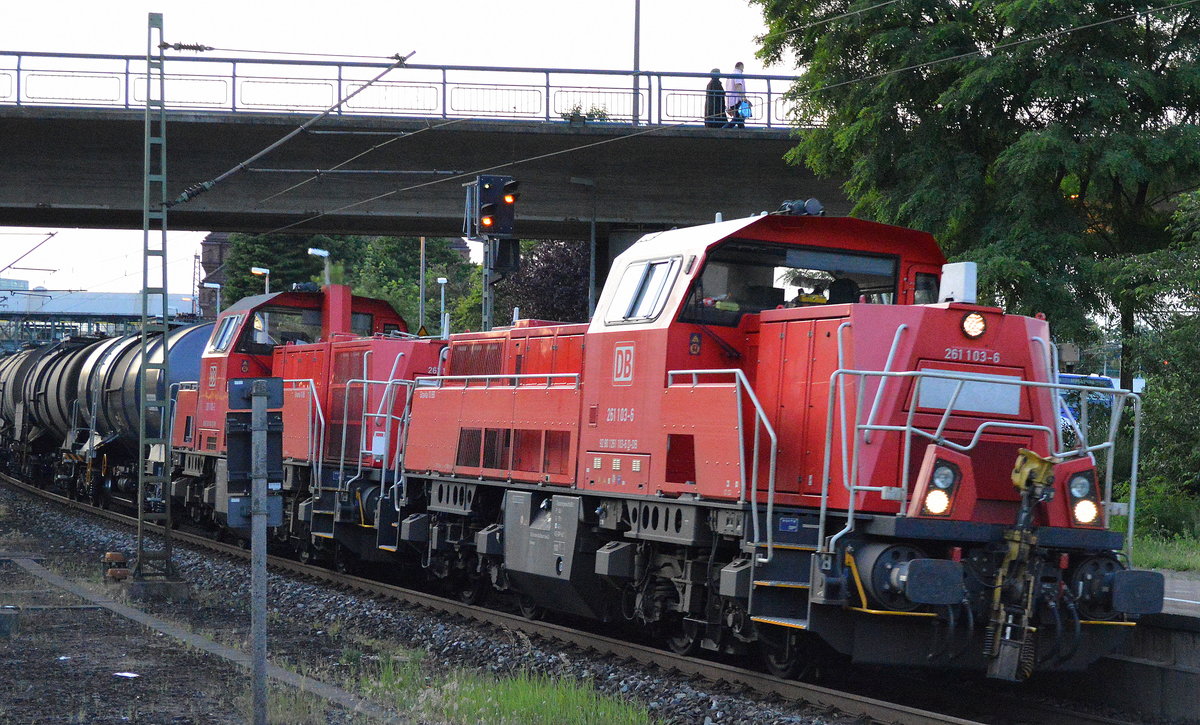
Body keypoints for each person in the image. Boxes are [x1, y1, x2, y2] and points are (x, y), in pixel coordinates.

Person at [725, 61, 747, 128]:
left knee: (739, 118)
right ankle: (724, 130)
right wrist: (743, 97)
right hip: (737, 100)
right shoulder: (737, 74)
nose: (743, 70)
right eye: (743, 68)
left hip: (731, 100)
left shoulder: (729, 76)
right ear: (741, 66)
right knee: (738, 118)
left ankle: (742, 131)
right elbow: (738, 85)